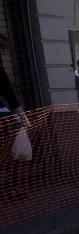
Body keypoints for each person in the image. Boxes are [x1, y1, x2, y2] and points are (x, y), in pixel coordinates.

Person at [0, 32, 27, 200]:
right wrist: (22, 115)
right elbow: (6, 89)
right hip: (3, 117)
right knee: (9, 156)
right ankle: (10, 189)